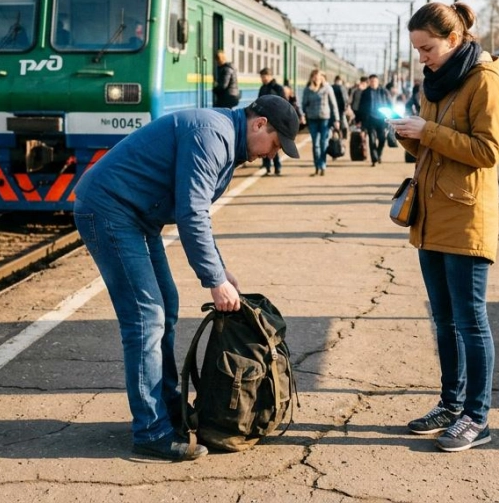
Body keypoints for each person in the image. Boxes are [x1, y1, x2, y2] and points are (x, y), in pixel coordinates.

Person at [72, 95, 301, 461]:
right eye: (275, 144)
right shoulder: (212, 135)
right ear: (259, 124)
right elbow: (192, 211)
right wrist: (213, 279)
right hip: (110, 210)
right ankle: (150, 432)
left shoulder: (226, 139)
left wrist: (220, 268)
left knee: (168, 307)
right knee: (146, 318)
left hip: (137, 217)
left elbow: (199, 214)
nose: (272, 154)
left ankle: (167, 409)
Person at [388, 1, 499, 452]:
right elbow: (432, 152)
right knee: (442, 320)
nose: (422, 57)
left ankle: (477, 418)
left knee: (470, 320)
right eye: (417, 50)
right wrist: (408, 137)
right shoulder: (434, 84)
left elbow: (487, 152)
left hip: (466, 217)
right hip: (431, 215)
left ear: (454, 39)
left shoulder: (485, 81)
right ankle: (451, 405)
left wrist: (429, 132)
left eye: (427, 48)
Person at [302, 68, 341, 176]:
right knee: (315, 144)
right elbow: (304, 104)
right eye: (314, 76)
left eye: (318, 76)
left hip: (325, 119)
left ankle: (322, 165)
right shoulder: (307, 89)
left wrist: (337, 119)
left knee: (323, 143)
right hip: (312, 119)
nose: (316, 78)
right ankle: (317, 166)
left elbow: (334, 105)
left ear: (321, 77)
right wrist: (303, 115)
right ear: (312, 77)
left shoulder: (327, 88)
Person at [355, 75, 392, 165]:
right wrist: (358, 119)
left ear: (378, 82)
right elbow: (361, 106)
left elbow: (390, 105)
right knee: (372, 139)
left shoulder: (384, 92)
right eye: (371, 81)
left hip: (382, 119)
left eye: (375, 81)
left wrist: (391, 117)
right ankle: (374, 159)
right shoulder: (365, 92)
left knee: (382, 139)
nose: (373, 83)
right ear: (369, 82)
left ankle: (378, 154)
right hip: (370, 119)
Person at [257, 67, 287, 176]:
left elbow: (284, 104)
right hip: (264, 120)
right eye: (261, 77)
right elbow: (258, 102)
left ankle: (277, 166)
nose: (263, 79)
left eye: (264, 77)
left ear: (269, 76)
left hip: (275, 120)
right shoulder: (262, 88)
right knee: (264, 144)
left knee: (273, 145)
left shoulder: (278, 88)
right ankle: (267, 167)